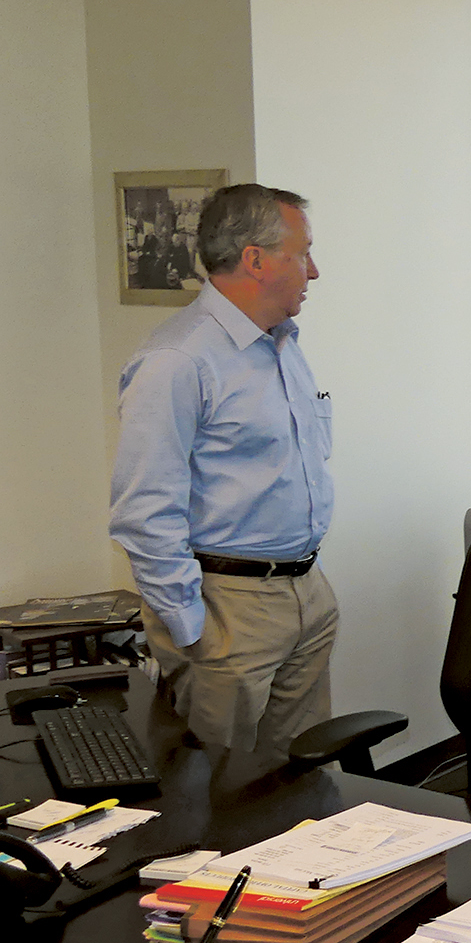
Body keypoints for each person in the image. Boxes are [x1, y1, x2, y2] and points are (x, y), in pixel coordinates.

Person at [110, 183, 336, 755]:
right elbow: (144, 511)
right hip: (228, 607)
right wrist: (192, 630)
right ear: (256, 260)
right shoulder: (176, 360)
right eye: (301, 252)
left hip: (305, 593)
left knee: (302, 787)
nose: (313, 271)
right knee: (217, 801)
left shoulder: (282, 345)